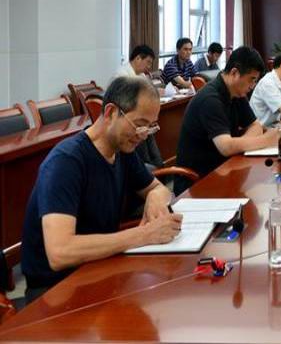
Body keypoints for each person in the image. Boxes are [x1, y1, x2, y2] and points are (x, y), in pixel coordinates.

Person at [21, 76, 182, 301]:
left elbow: (159, 188)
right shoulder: (66, 162)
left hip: (98, 267)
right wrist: (143, 235)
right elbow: (60, 252)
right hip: (56, 291)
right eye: (139, 124)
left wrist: (154, 196)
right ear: (110, 113)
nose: (143, 134)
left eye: (150, 126)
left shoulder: (122, 151)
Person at [175, 46, 276, 193]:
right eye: (252, 80)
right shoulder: (210, 99)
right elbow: (226, 147)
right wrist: (266, 140)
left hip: (225, 169)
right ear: (234, 73)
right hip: (197, 183)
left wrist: (242, 145)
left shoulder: (237, 93)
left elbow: (255, 126)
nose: (252, 86)